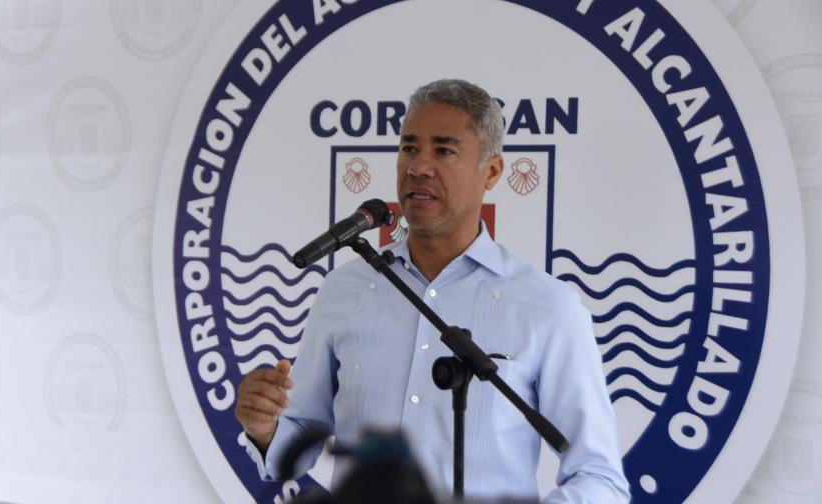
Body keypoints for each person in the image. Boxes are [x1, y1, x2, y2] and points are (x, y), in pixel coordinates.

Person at [236, 79, 630, 502]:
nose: (418, 167)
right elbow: (299, 436)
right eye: (409, 148)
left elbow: (599, 478)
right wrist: (265, 428)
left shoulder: (547, 307)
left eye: (443, 151)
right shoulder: (344, 290)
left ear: (492, 171)